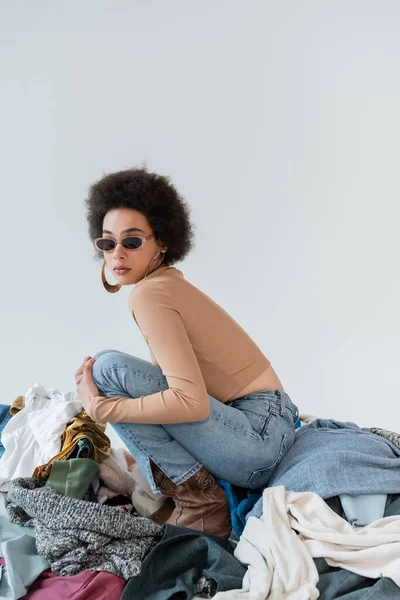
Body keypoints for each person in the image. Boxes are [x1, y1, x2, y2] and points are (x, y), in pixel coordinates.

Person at [75, 165, 299, 538]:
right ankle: (195, 499)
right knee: (114, 373)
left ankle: (201, 505)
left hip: (258, 435)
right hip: (265, 428)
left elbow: (189, 402)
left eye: (131, 242)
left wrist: (102, 409)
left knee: (107, 370)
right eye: (107, 243)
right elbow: (178, 394)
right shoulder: (162, 286)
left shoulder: (150, 294)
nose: (117, 254)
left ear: (161, 242)